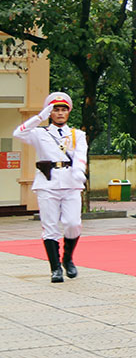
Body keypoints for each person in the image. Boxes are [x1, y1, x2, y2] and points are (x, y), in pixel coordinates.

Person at [13, 92, 88, 283]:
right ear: (50, 112)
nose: (60, 113)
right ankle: (55, 268)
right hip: (48, 183)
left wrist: (79, 171)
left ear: (68, 112)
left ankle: (68, 258)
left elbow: (81, 156)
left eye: (64, 110)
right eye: (56, 110)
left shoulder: (77, 135)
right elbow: (18, 132)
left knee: (73, 223)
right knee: (50, 227)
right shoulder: (39, 133)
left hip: (71, 183)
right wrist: (39, 117)